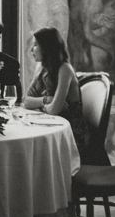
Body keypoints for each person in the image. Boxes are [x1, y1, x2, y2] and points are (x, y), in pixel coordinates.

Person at [21, 27, 105, 165]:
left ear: (47, 48)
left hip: (73, 134)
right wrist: (46, 100)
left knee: (35, 153)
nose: (31, 50)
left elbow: (54, 110)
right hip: (54, 128)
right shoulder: (42, 68)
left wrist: (43, 105)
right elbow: (26, 101)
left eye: (35, 45)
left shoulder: (65, 69)